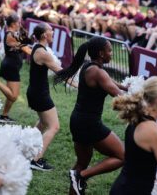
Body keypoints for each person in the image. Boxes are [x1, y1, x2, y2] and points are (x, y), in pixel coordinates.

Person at [54, 36, 127, 195]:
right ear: (101, 53)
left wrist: (128, 86)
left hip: (78, 121)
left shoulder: (90, 66)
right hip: (89, 124)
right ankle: (82, 176)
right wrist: (139, 98)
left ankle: (78, 177)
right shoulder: (97, 72)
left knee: (81, 162)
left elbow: (112, 83)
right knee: (122, 155)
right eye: (109, 50)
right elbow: (118, 95)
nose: (111, 54)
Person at [26, 23, 63, 171]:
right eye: (50, 30)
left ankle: (27, 148)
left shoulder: (38, 48)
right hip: (40, 94)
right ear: (44, 35)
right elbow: (61, 72)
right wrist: (80, 82)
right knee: (54, 127)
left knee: (42, 123)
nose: (53, 32)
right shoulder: (43, 53)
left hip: (36, 92)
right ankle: (35, 160)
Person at [0, 13, 32, 124]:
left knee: (11, 94)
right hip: (10, 66)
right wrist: (38, 52)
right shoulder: (10, 35)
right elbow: (26, 49)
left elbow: (24, 45)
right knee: (13, 96)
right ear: (13, 24)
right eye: (19, 22)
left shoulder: (13, 33)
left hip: (12, 66)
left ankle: (4, 116)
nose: (20, 24)